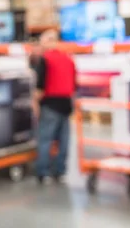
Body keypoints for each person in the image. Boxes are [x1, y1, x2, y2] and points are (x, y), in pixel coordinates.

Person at [33, 29, 76, 184]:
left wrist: (35, 105)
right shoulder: (68, 59)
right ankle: (60, 171)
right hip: (66, 104)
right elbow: (74, 84)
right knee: (64, 141)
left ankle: (43, 172)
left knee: (45, 139)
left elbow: (40, 87)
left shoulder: (45, 60)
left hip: (50, 104)